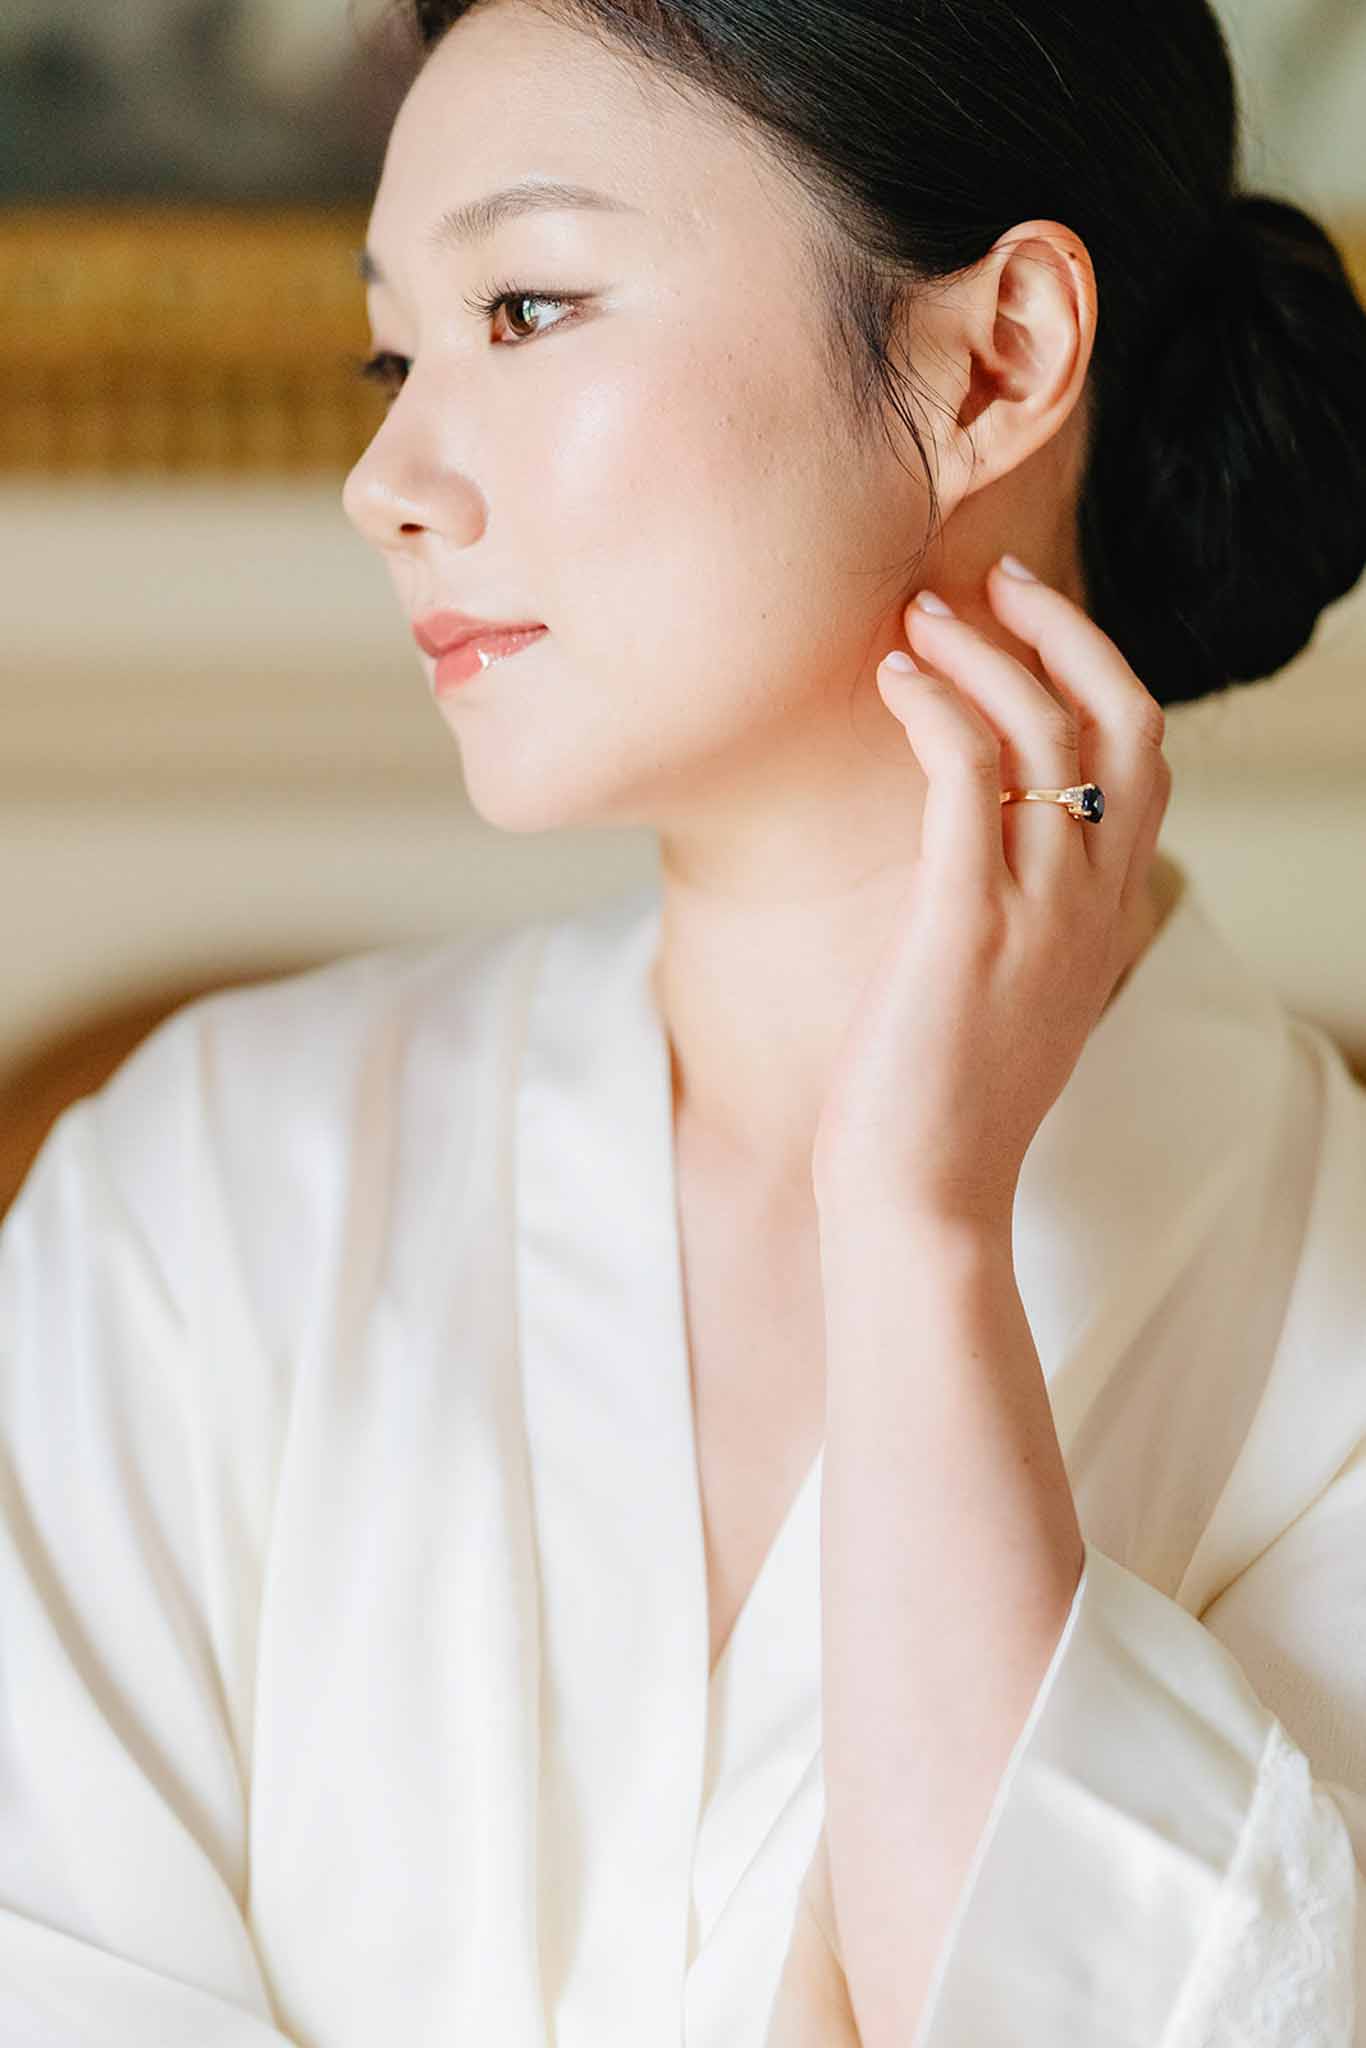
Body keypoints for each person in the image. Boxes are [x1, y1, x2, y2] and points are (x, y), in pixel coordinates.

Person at [4, 1, 1366, 2042]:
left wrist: (917, 1239)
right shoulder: (191, 1196)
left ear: (993, 356)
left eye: (528, 306)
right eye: (400, 347)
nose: (387, 477)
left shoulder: (1323, 1305)